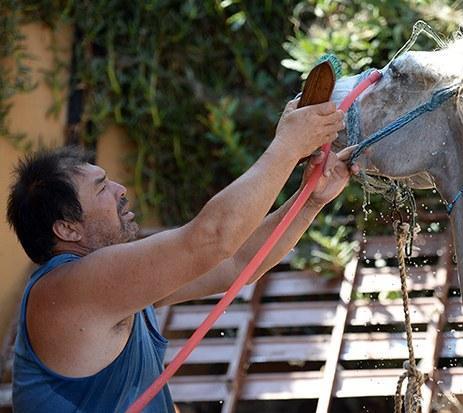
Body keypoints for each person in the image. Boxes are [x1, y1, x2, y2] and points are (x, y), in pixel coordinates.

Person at [6, 98, 357, 412]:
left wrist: (309, 200)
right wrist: (286, 146)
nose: (120, 190)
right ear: (67, 229)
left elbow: (236, 263)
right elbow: (211, 239)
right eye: (102, 188)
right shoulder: (69, 288)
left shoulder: (115, 290)